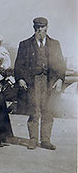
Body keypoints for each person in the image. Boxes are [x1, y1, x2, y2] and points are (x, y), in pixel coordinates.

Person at [14, 17, 66, 150]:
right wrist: (20, 78)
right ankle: (33, 140)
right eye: (37, 27)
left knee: (48, 111)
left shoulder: (55, 44)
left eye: (42, 27)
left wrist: (60, 79)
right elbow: (18, 65)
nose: (39, 30)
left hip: (50, 82)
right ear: (33, 28)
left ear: (47, 27)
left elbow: (60, 64)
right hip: (33, 82)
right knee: (34, 110)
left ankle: (46, 140)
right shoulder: (25, 44)